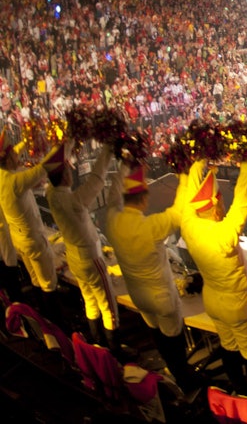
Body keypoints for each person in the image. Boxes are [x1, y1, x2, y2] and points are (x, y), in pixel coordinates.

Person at [102, 162, 198, 393]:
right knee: (174, 341)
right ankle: (185, 383)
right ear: (143, 198)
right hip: (161, 297)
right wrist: (186, 176)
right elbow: (179, 210)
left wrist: (124, 163)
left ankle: (172, 374)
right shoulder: (151, 226)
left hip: (138, 295)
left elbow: (113, 196)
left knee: (157, 335)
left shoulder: (111, 219)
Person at [181, 159, 247, 398]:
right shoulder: (224, 232)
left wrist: (198, 162)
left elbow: (190, 195)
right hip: (237, 304)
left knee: (229, 348)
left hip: (213, 301)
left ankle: (238, 392)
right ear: (217, 206)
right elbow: (243, 200)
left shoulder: (188, 225)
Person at [43, 140, 120, 353]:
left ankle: (97, 344)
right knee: (108, 305)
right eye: (68, 169)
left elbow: (53, 166)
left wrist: (69, 142)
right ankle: (115, 352)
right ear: (65, 176)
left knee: (90, 301)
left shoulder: (51, 194)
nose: (71, 171)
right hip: (90, 258)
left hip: (75, 258)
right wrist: (107, 151)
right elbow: (95, 181)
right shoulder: (72, 201)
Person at [0, 137, 64, 322]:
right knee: (48, 284)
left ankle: (43, 321)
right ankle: (57, 326)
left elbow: (16, 152)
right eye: (14, 154)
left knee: (36, 281)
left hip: (20, 240)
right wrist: (64, 144)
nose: (17, 156)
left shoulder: (4, 176)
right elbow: (44, 167)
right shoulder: (15, 181)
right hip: (33, 242)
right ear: (8, 159)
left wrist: (28, 140)